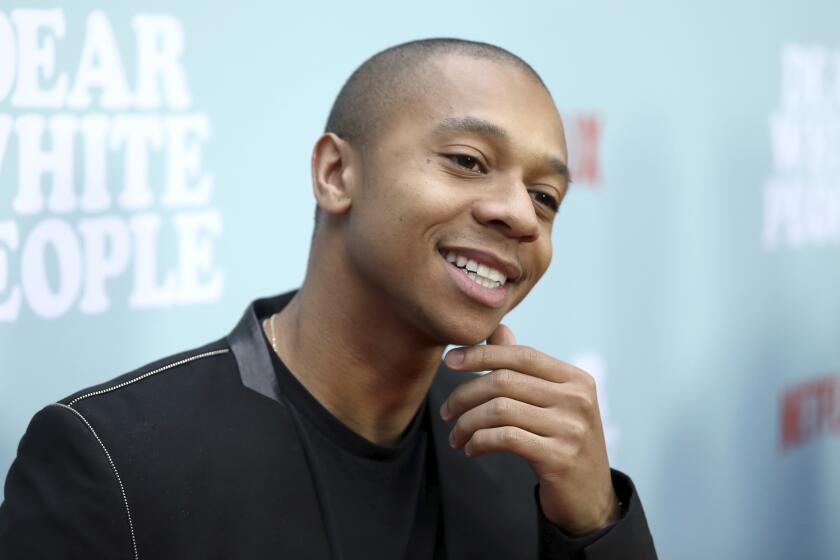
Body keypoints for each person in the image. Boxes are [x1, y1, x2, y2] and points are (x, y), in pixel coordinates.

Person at [0, 38, 657, 559]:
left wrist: (596, 523)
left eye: (546, 198)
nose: (520, 214)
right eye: (467, 160)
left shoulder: (519, 458)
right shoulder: (114, 458)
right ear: (336, 173)